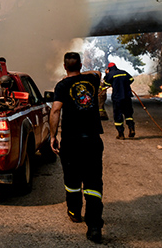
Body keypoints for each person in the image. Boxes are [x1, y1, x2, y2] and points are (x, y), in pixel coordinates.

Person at [50, 52, 104, 244]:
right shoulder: (91, 79)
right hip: (92, 141)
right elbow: (98, 72)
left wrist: (53, 135)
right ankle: (94, 226)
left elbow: (55, 110)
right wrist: (81, 73)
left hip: (71, 142)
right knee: (93, 183)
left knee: (72, 181)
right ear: (80, 65)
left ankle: (74, 212)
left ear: (65, 67)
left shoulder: (62, 85)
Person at [103, 62, 135, 139]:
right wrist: (125, 84)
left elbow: (105, 84)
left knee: (118, 115)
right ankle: (131, 128)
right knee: (128, 114)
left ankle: (121, 134)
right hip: (127, 97)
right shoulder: (123, 72)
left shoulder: (110, 74)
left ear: (109, 69)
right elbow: (131, 79)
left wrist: (106, 74)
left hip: (118, 98)